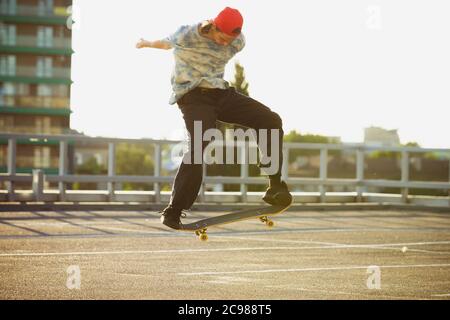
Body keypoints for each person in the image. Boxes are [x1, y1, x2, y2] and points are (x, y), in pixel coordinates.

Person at [136, 7, 292, 230]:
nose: (223, 43)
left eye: (229, 41)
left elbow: (230, 41)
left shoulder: (238, 42)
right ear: (213, 26)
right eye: (221, 37)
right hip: (192, 96)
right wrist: (146, 43)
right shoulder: (187, 34)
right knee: (201, 142)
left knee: (270, 120)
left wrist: (229, 41)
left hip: (220, 94)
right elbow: (164, 43)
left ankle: (275, 185)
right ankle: (174, 209)